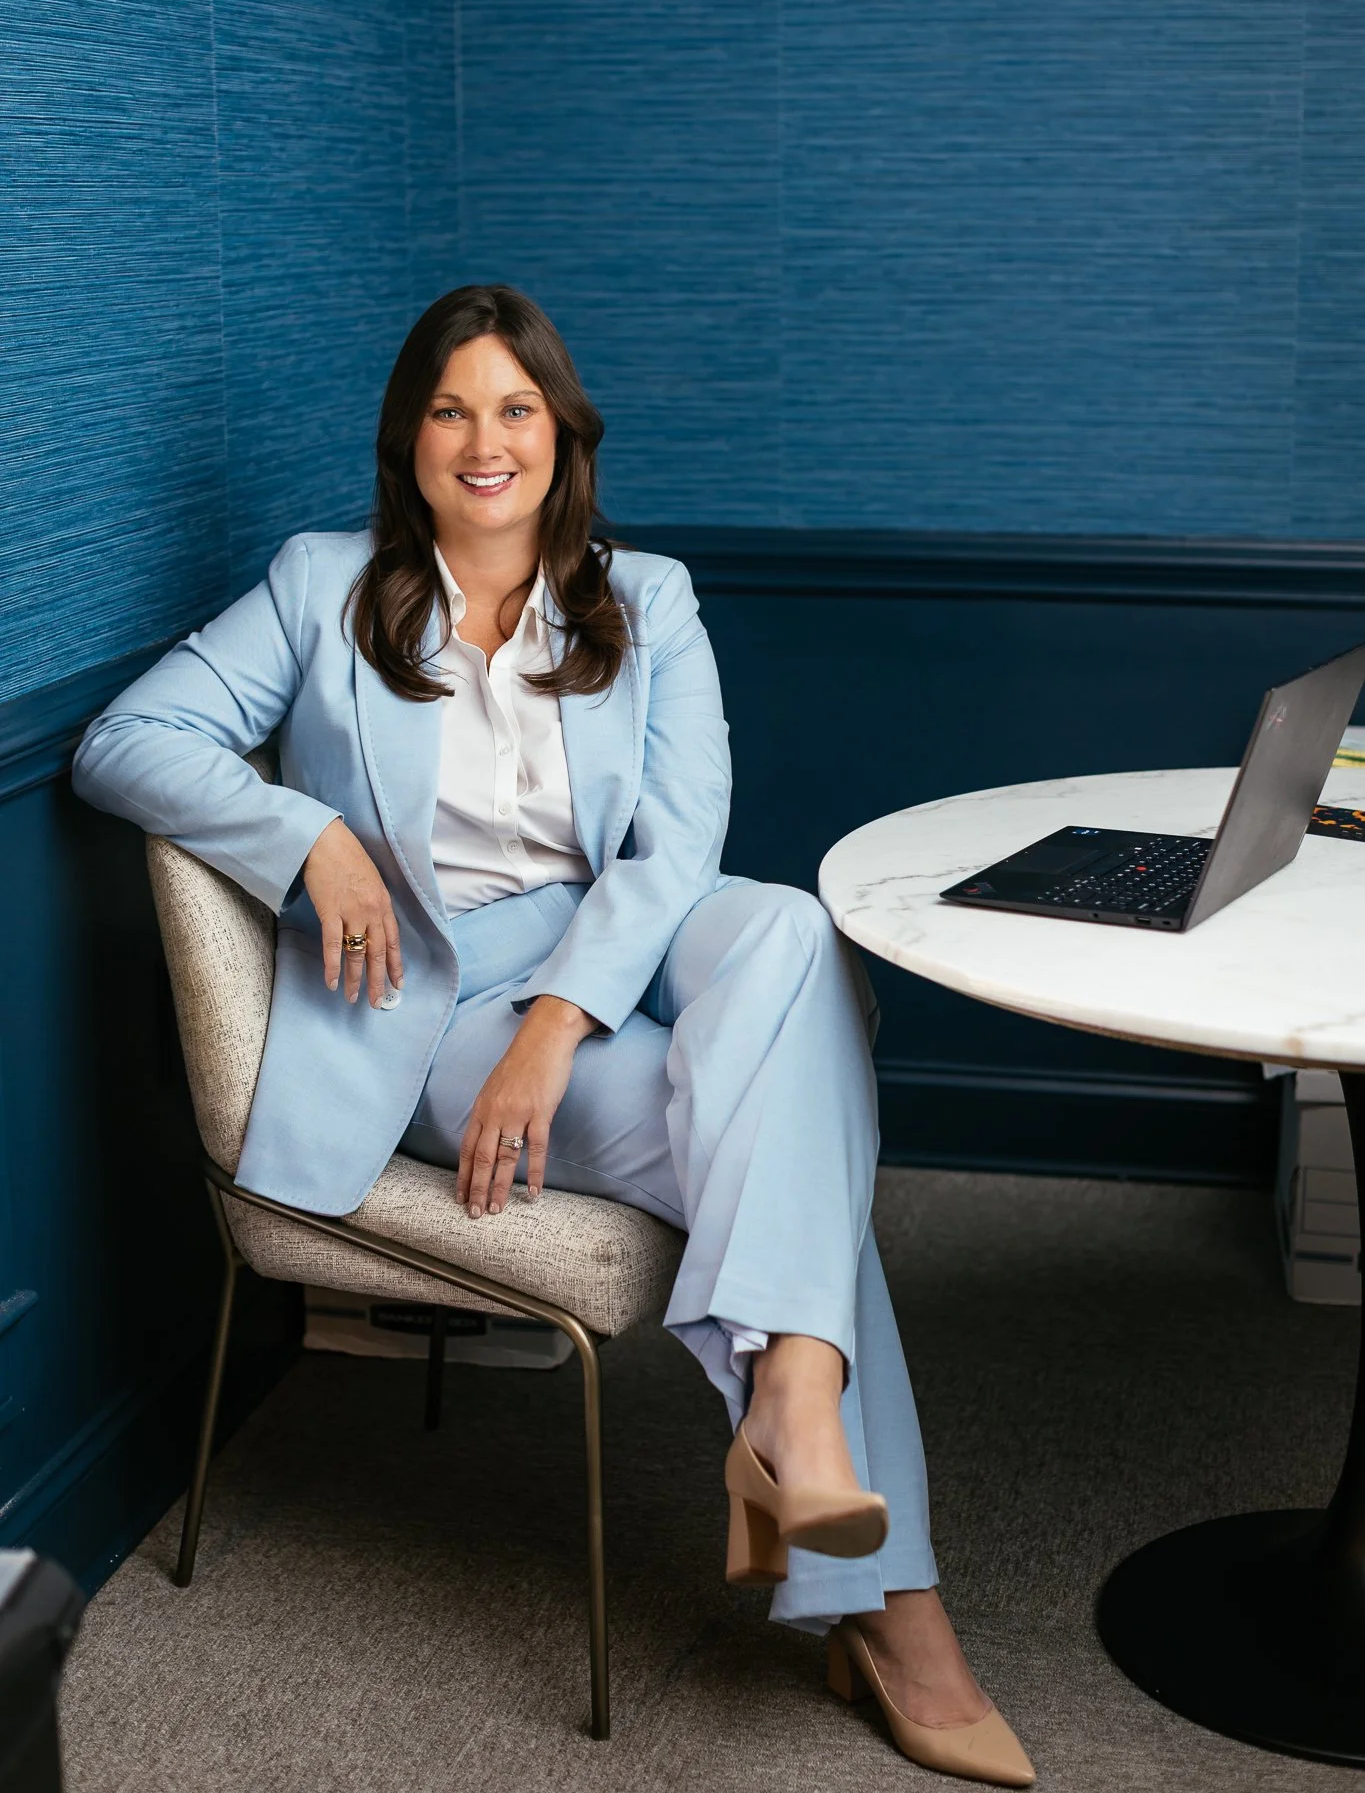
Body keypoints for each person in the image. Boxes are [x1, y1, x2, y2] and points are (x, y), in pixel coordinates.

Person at [74, 285, 1033, 1787]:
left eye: (514, 408)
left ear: (560, 432)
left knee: (786, 925)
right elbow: (122, 743)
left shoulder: (644, 597)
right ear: (409, 438)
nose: (484, 439)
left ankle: (791, 1412)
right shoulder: (320, 585)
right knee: (793, 1147)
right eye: (451, 408)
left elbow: (680, 842)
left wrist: (565, 1019)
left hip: (613, 959)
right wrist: (309, 835)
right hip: (429, 1007)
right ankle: (882, 1588)